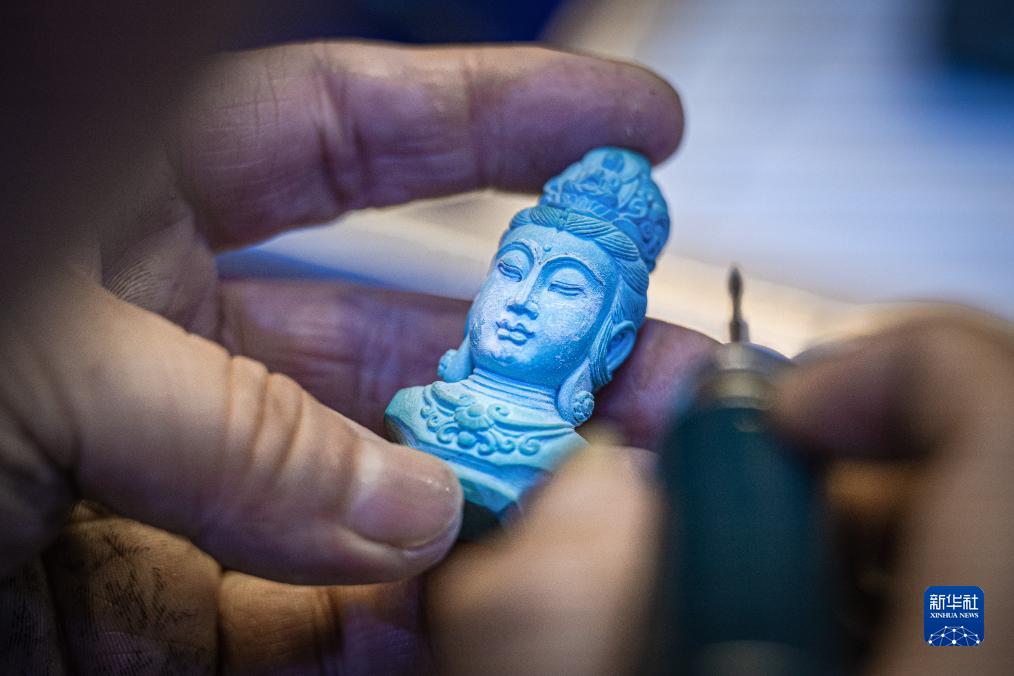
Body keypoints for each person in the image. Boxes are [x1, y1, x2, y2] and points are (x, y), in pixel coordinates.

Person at [1, 14, 1011, 676]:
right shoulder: (959, 601)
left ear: (613, 337)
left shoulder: (587, 484)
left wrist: (957, 623)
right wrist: (960, 623)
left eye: (564, 287)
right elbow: (955, 599)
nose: (519, 303)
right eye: (514, 269)